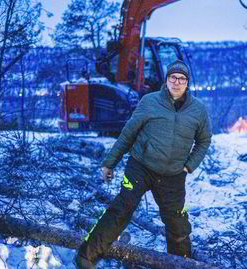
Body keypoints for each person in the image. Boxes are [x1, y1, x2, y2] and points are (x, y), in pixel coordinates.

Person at [75, 59, 212, 269]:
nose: (177, 82)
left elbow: (204, 140)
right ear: (166, 80)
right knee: (121, 208)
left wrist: (189, 165)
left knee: (178, 223)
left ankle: (180, 265)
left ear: (187, 83)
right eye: (173, 77)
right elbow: (128, 133)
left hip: (173, 175)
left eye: (181, 79)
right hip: (140, 167)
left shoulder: (198, 110)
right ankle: (86, 257)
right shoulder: (149, 101)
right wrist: (109, 163)